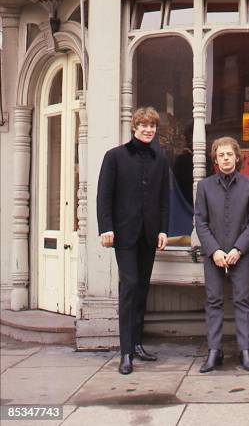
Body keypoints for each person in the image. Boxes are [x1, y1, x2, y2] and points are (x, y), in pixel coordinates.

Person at [97, 107, 169, 375]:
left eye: (152, 126)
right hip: (124, 234)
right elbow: (104, 196)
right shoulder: (115, 157)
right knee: (130, 287)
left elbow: (164, 198)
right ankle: (125, 352)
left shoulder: (160, 158)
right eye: (144, 125)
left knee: (141, 289)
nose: (148, 130)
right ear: (134, 127)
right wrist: (106, 228)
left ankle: (138, 344)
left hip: (149, 235)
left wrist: (163, 230)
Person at [195, 136, 249, 373]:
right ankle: (214, 351)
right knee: (213, 301)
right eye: (221, 155)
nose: (225, 159)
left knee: (242, 301)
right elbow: (200, 222)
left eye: (229, 154)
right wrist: (214, 251)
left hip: (240, 254)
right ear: (215, 159)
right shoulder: (204, 186)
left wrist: (237, 249)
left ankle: (245, 351)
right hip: (213, 254)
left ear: (236, 157)